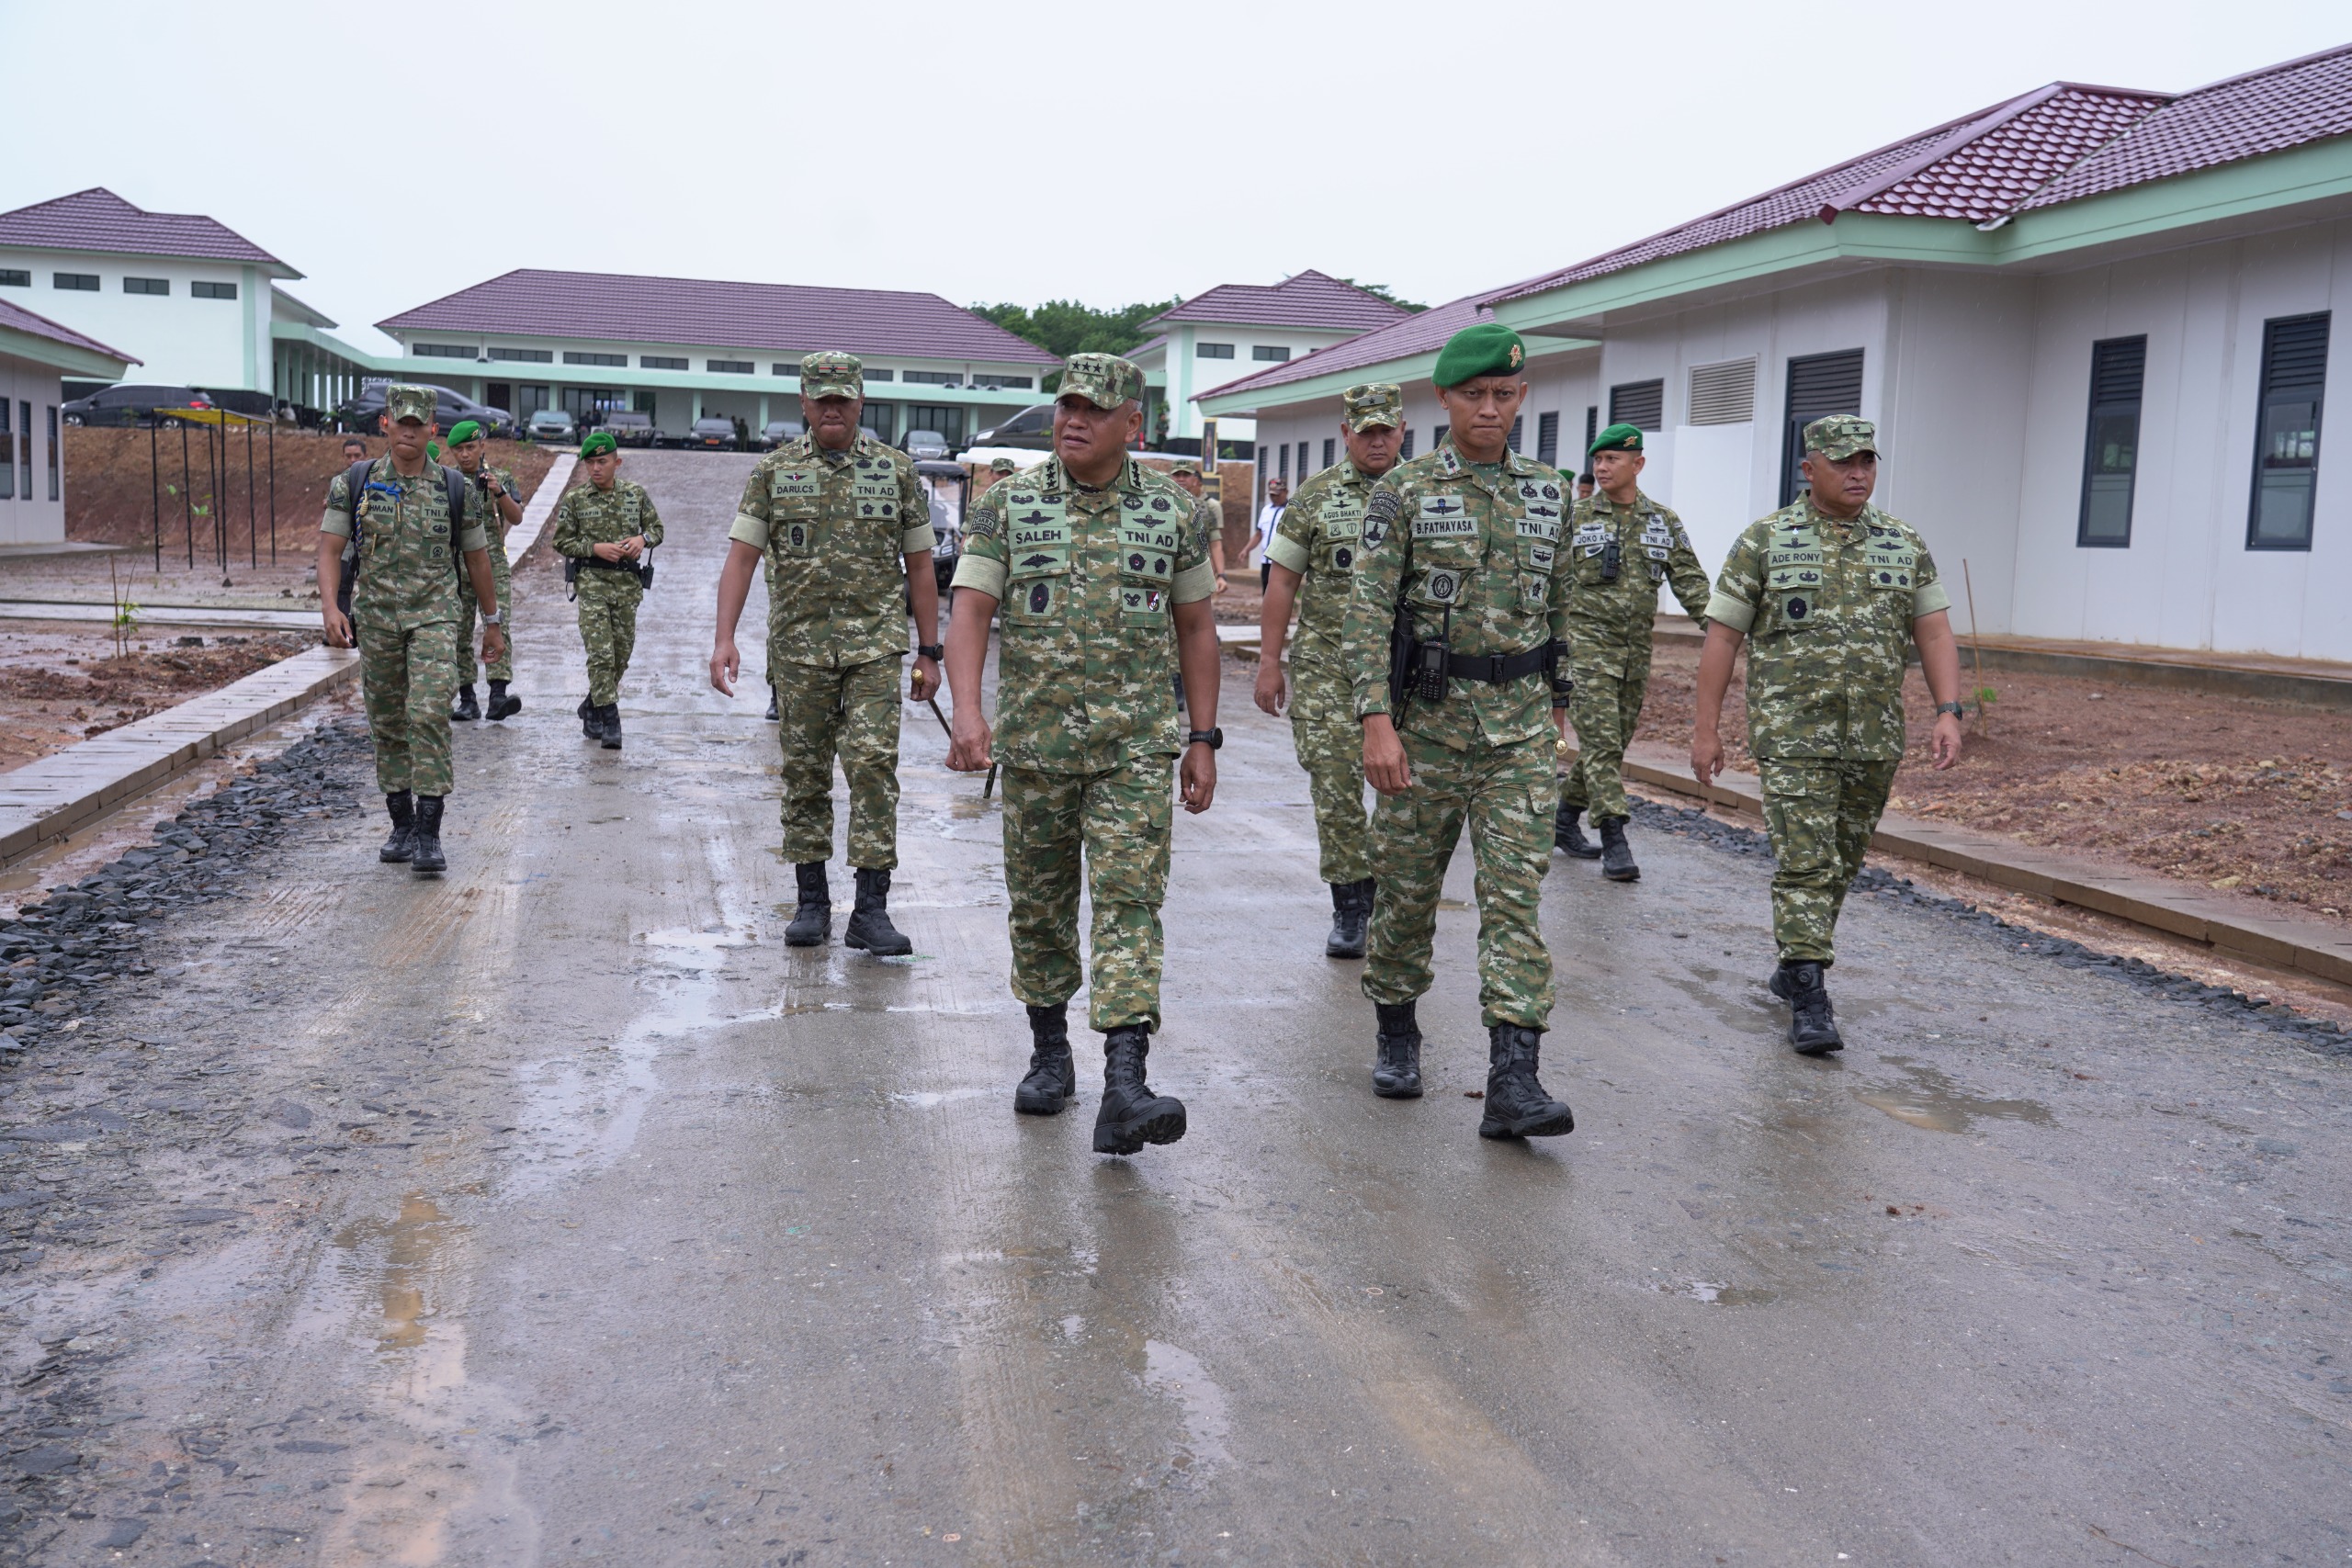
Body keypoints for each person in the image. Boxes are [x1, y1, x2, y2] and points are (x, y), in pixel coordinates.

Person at [943, 353, 1220, 1156]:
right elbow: (971, 613)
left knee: (1131, 903)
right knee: (1040, 908)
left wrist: (1201, 738)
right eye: (1067, 405)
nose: (1074, 419)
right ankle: (1048, 1049)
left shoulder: (1177, 512)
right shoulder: (1008, 506)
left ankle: (1125, 1080)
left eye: (1094, 409)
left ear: (1133, 423)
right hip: (1036, 746)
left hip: (1136, 748)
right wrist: (968, 709)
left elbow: (1197, 628)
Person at [1343, 325, 1576, 1137]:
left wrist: (1560, 706)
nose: (1490, 408)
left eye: (1504, 394)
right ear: (1442, 400)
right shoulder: (1400, 493)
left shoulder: (1553, 491)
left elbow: (1562, 609)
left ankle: (1514, 1077)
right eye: (1473, 395)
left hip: (1517, 735)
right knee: (1406, 895)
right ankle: (1397, 1030)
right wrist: (1377, 722)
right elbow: (1366, 615)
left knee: (1515, 901)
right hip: (1426, 729)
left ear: (1521, 397)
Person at [1692, 414, 1966, 1055]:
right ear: (1809, 467)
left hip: (1873, 737)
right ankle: (1812, 992)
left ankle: (1794, 965)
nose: (1858, 474)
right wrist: (1706, 729)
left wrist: (1948, 709)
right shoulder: (1764, 541)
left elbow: (1933, 631)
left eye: (1867, 461)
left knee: (1841, 861)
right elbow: (1723, 637)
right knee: (1806, 863)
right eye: (1843, 462)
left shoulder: (1902, 541)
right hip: (1793, 735)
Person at [709, 352, 940, 957]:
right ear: (804, 404)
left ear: (861, 402)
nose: (833, 407)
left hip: (874, 648)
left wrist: (930, 650)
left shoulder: (896, 471)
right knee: (805, 776)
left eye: (844, 397)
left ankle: (870, 909)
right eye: (822, 398)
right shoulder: (773, 472)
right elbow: (742, 558)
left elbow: (920, 565)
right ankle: (812, 902)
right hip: (800, 650)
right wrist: (724, 637)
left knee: (872, 769)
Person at [315, 385, 505, 877]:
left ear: (432, 430)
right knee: (386, 721)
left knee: (426, 712)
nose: (409, 431)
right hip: (375, 620)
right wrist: (329, 609)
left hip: (436, 617)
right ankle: (400, 823)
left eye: (419, 424)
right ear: (385, 424)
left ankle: (429, 831)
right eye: (401, 422)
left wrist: (493, 623)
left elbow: (477, 558)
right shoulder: (354, 482)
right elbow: (330, 549)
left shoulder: (452, 488)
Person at [1255, 382, 1402, 959]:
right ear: (1346, 433)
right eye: (1365, 431)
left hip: (1403, 668)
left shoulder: (1425, 495)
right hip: (1325, 665)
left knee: (1403, 794)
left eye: (1386, 430)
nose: (1376, 440)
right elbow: (1282, 583)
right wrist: (1270, 663)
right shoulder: (1313, 500)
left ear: (1402, 431)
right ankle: (1351, 903)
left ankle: (1394, 899)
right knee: (1335, 788)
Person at [1555, 423, 1712, 879]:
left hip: (1635, 652)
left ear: (1637, 464)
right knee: (1602, 741)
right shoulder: (1576, 519)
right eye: (1597, 461)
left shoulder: (1663, 521)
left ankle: (1563, 821)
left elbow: (1691, 584)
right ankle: (1614, 835)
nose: (1601, 468)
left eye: (1612, 460)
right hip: (1585, 649)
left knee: (1611, 744)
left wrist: (1723, 634)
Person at [550, 432, 662, 751]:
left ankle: (591, 706)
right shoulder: (576, 499)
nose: (596, 468)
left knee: (620, 658)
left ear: (617, 462)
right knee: (601, 655)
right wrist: (594, 548)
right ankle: (611, 721)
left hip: (627, 588)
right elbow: (561, 541)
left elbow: (657, 529)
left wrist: (642, 539)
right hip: (592, 586)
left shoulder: (635, 495)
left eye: (603, 461)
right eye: (591, 462)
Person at [445, 420, 525, 722]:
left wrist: (499, 492)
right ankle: (468, 699)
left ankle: (498, 696)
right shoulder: (448, 480)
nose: (465, 455)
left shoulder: (501, 477)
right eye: (459, 449)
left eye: (470, 448)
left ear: (482, 447)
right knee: (459, 633)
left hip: (493, 565)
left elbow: (516, 517)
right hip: (458, 570)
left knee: (498, 626)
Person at [1166, 461, 1231, 595]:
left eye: (1186, 474)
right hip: (1165, 571)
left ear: (1194, 479)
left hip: (1196, 573)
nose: (1181, 478)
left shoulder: (1205, 509)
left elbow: (1215, 543)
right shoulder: (1158, 504)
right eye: (1177, 474)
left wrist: (1221, 575)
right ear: (1170, 477)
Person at [1252, 476, 1289, 589]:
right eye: (1272, 495)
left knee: (1280, 589)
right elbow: (1259, 534)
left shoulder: (1290, 510)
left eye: (1277, 494)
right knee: (1266, 588)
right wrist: (1246, 550)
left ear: (1286, 492)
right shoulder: (1266, 510)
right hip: (1266, 560)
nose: (1274, 498)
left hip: (1282, 561)